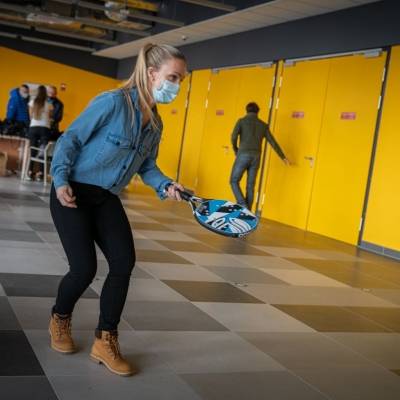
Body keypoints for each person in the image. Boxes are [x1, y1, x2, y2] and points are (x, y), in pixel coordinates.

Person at [49, 43, 187, 377]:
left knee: (123, 263)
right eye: (173, 77)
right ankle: (60, 318)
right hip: (73, 191)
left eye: (181, 80)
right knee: (84, 269)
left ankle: (105, 339)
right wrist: (60, 179)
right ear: (151, 73)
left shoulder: (156, 124)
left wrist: (166, 185)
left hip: (106, 197)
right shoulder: (112, 103)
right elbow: (71, 139)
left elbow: (147, 166)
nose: (177, 85)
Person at [230, 102, 289, 210]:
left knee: (233, 180)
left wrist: (235, 149)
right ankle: (248, 211)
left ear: (247, 110)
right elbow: (272, 142)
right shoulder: (263, 125)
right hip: (256, 157)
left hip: (243, 154)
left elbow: (233, 137)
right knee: (250, 186)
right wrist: (283, 157)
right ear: (258, 112)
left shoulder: (241, 121)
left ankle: (242, 205)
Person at [27, 85, 53, 181]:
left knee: (33, 151)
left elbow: (30, 116)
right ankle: (40, 174)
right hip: (45, 129)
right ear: (45, 93)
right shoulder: (49, 104)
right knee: (43, 152)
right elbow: (50, 117)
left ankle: (30, 172)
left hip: (33, 127)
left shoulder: (32, 102)